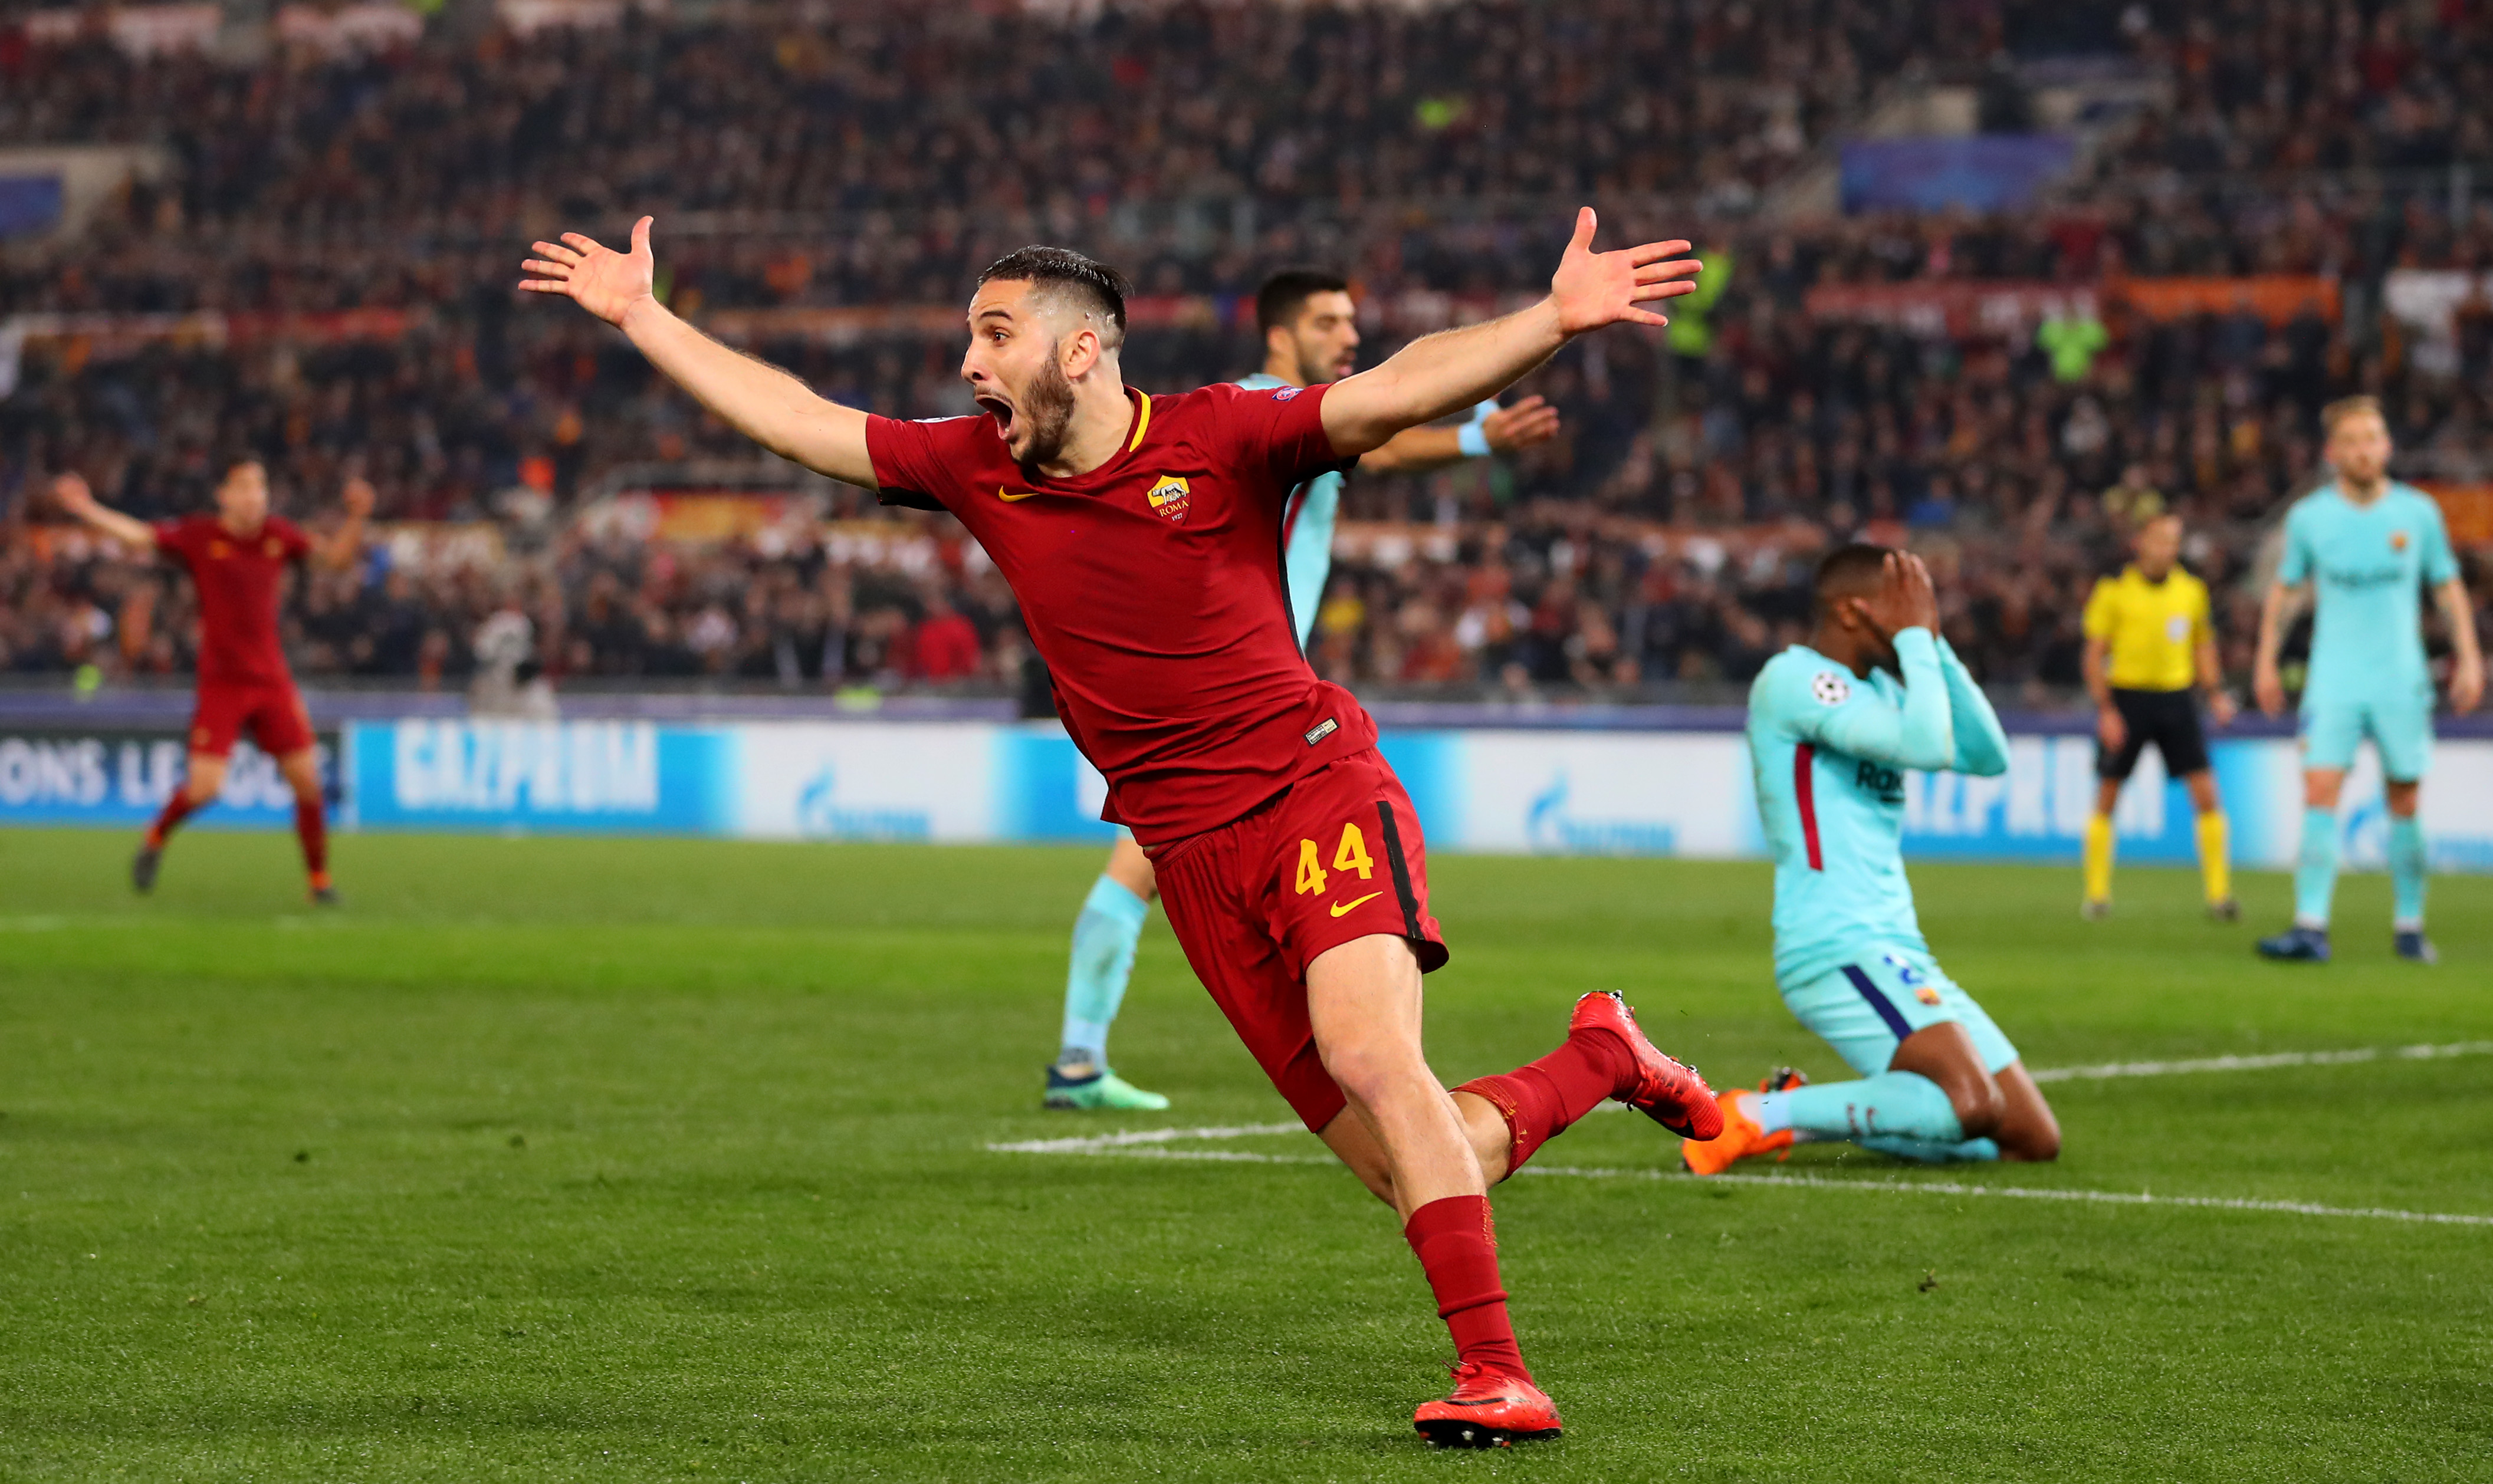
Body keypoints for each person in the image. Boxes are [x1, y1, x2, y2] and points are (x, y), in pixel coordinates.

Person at [521, 209, 1722, 1446]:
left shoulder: (1220, 434)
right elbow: (803, 421)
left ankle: (1497, 1374)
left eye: (995, 335)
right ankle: (1603, 1057)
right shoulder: (970, 464)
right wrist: (641, 316)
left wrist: (1550, 319)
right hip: (1186, 852)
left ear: (1082, 349)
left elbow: (1389, 390)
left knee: (1370, 1052)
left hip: (1310, 788)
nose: (971, 365)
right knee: (1405, 1158)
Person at [1045, 268, 1561, 1113]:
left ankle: (1080, 1058)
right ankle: (1077, 1059)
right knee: (1139, 868)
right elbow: (1382, 432)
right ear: (1281, 335)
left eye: (1353, 321)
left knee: (1139, 868)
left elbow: (1373, 440)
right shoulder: (1255, 408)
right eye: (1329, 323)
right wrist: (1476, 440)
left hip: (1231, 698)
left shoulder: (1284, 418)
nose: (1349, 337)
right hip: (1217, 703)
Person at [1684, 545, 2061, 1175]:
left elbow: (1988, 755)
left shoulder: (1881, 685)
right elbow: (1926, 743)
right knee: (1969, 1105)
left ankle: (1798, 1108)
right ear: (1852, 612)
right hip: (1836, 943)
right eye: (1904, 609)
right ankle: (1756, 1115)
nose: (1919, 619)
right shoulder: (1795, 679)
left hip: (1898, 948)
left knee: (2028, 1136)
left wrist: (1931, 644)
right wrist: (1917, 642)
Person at [50, 463, 372, 903]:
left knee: (308, 782)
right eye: (244, 487)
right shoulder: (201, 537)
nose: (255, 495)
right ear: (223, 495)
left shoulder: (279, 536)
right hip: (222, 684)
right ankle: (157, 836)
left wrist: (358, 516)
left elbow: (335, 559)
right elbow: (140, 536)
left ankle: (319, 882)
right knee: (205, 788)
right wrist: (85, 508)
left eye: (261, 486)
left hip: (272, 681)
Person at [2252, 396, 2484, 963]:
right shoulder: (2309, 518)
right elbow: (2285, 590)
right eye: (2351, 440)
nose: (2363, 449)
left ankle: (2409, 926)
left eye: (2372, 437)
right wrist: (2264, 658)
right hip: (2333, 676)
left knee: (2404, 797)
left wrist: (2470, 656)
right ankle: (2310, 926)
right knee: (2319, 790)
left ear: (2387, 446)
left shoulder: (2418, 513)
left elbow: (2446, 586)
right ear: (2332, 453)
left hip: (2400, 678)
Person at [2078, 512, 2239, 920]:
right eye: (2160, 539)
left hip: (2176, 698)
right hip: (2127, 697)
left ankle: (2219, 896)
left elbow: (2202, 645)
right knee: (2107, 795)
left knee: (2206, 794)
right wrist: (2106, 710)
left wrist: (2215, 693)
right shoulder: (2114, 591)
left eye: (2174, 540)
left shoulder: (2191, 591)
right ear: (2140, 543)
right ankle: (2096, 895)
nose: (2168, 548)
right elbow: (2094, 655)